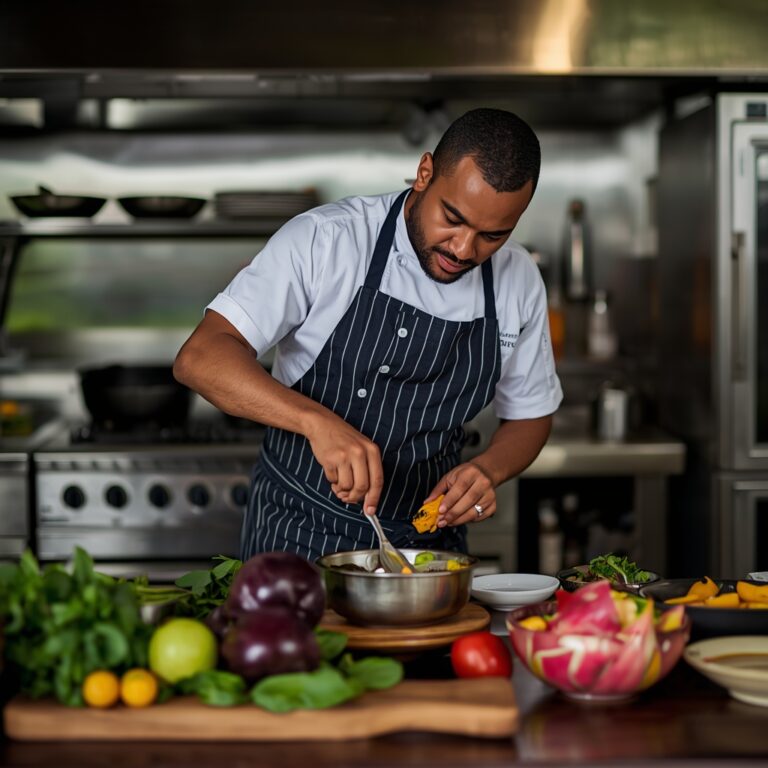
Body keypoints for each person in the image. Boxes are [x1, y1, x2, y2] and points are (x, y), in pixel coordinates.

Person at [174, 107, 563, 562]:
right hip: (299, 534)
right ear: (424, 173)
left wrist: (487, 470)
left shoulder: (518, 279)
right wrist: (314, 422)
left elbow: (532, 413)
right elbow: (200, 357)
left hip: (429, 552)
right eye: (452, 218)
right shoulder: (327, 240)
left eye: (493, 235)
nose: (463, 249)